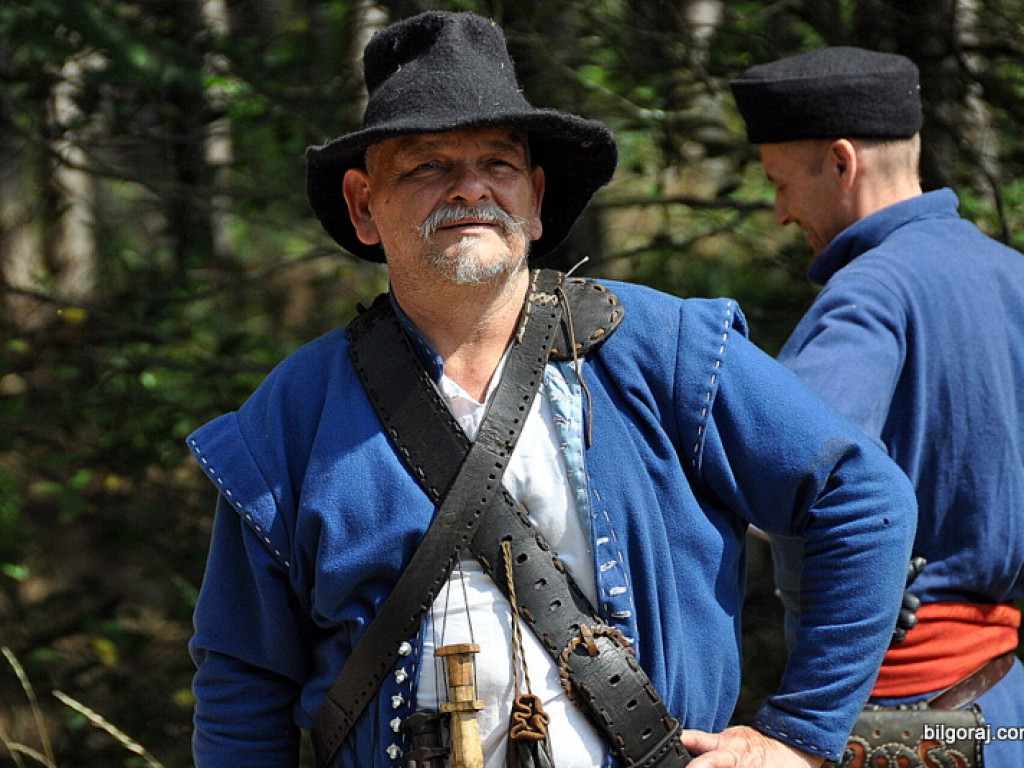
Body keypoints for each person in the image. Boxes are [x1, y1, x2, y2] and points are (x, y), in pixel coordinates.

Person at [186, 14, 917, 768]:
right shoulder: (291, 416)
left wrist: (800, 734)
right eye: (428, 165)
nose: (471, 187)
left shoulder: (665, 350)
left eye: (498, 163)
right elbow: (243, 681)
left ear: (534, 197)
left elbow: (861, 497)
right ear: (364, 204)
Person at [731, 46, 1024, 766]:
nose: (779, 214)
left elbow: (783, 480)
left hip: (901, 721)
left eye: (780, 183)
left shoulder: (868, 294)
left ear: (841, 163)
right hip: (1005, 706)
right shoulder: (1013, 276)